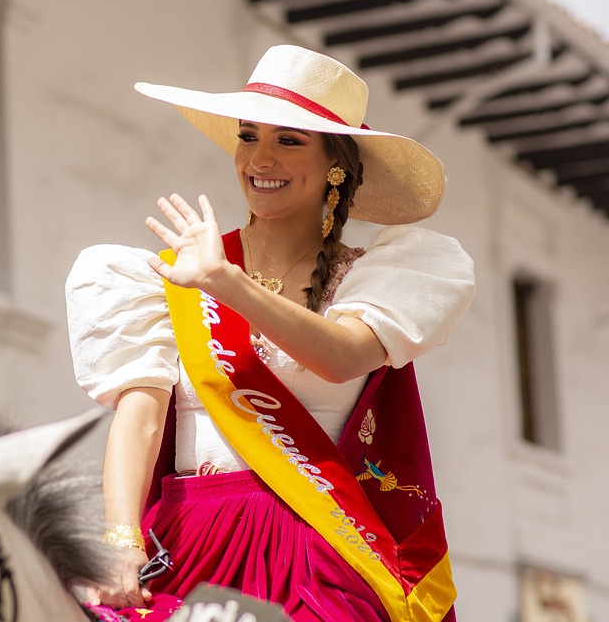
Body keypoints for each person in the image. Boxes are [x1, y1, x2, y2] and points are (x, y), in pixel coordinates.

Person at [66, 45, 475, 622]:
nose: (260, 157)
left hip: (322, 548)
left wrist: (225, 283)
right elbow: (143, 413)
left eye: (288, 140)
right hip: (188, 541)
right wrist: (121, 542)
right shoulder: (166, 279)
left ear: (336, 163)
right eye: (248, 135)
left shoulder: (376, 274)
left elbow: (342, 356)